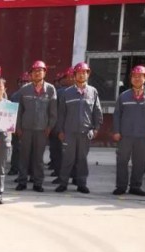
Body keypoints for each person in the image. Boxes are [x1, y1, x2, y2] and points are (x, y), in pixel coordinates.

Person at [111, 66, 145, 196]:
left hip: (143, 135)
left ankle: (135, 186)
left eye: (140, 76)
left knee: (140, 162)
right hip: (125, 135)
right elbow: (117, 115)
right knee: (122, 161)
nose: (137, 79)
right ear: (131, 78)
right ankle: (121, 186)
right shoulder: (124, 96)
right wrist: (116, 131)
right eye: (134, 76)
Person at [55, 62, 102, 194]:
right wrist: (60, 130)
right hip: (69, 132)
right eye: (79, 73)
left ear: (88, 74)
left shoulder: (93, 91)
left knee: (82, 159)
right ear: (74, 75)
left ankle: (82, 183)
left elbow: (97, 111)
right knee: (67, 159)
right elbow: (61, 113)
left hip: (85, 132)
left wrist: (96, 128)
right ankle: (63, 183)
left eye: (84, 73)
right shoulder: (67, 93)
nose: (81, 75)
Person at [14, 61, 58, 193]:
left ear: (45, 73)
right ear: (31, 74)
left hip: (42, 130)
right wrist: (18, 127)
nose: (37, 73)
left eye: (40, 70)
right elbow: (19, 110)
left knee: (38, 158)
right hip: (26, 129)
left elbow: (53, 112)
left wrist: (49, 127)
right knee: (24, 157)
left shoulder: (50, 89)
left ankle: (38, 182)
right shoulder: (24, 89)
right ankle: (22, 181)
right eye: (35, 71)